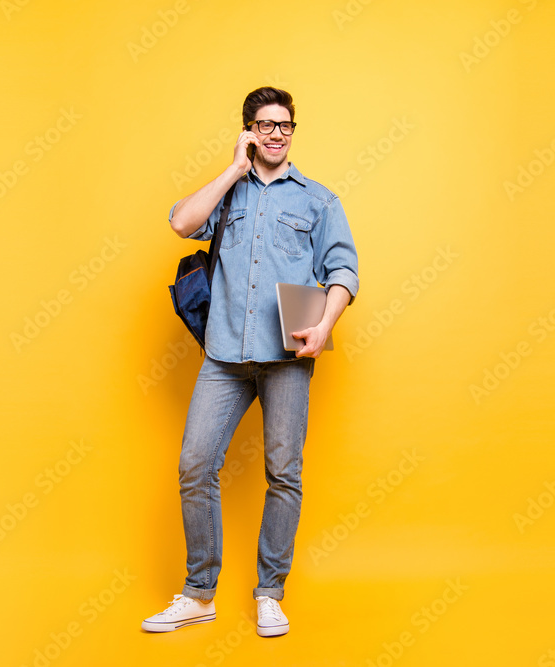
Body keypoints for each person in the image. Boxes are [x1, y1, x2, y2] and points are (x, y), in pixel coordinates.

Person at [141, 87, 359, 637]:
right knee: (196, 466)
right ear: (248, 131)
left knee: (283, 475)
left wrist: (324, 324)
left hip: (287, 356)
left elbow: (344, 272)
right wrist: (232, 170)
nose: (276, 134)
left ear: (292, 130)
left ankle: (270, 592)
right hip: (224, 355)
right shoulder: (230, 192)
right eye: (265, 125)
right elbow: (181, 223)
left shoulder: (318, 200)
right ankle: (199, 593)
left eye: (284, 125)